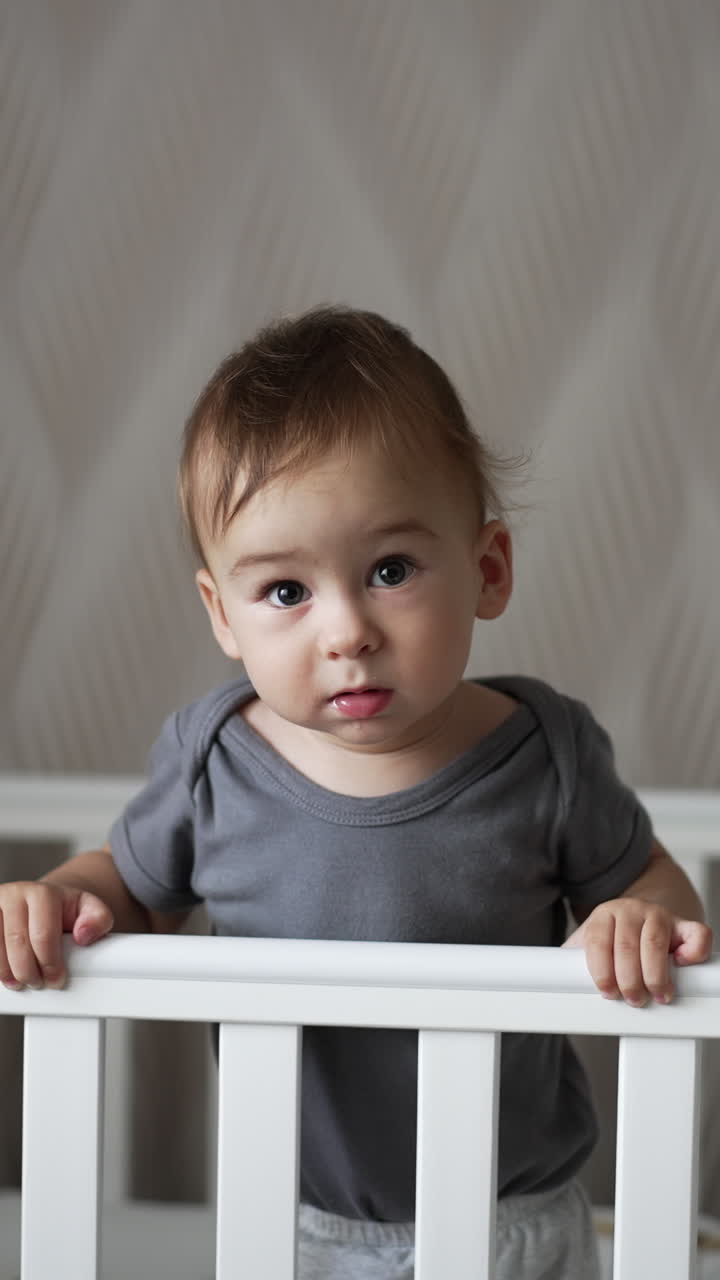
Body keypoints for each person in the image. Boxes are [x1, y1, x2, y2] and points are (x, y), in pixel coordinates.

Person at [0, 307, 712, 1279]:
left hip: (517, 1220)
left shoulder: (546, 754)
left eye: (389, 570)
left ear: (487, 569)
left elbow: (661, 891)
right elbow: (123, 891)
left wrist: (641, 915)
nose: (345, 630)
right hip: (290, 1220)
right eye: (286, 591)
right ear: (222, 613)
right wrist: (65, 897)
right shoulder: (213, 760)